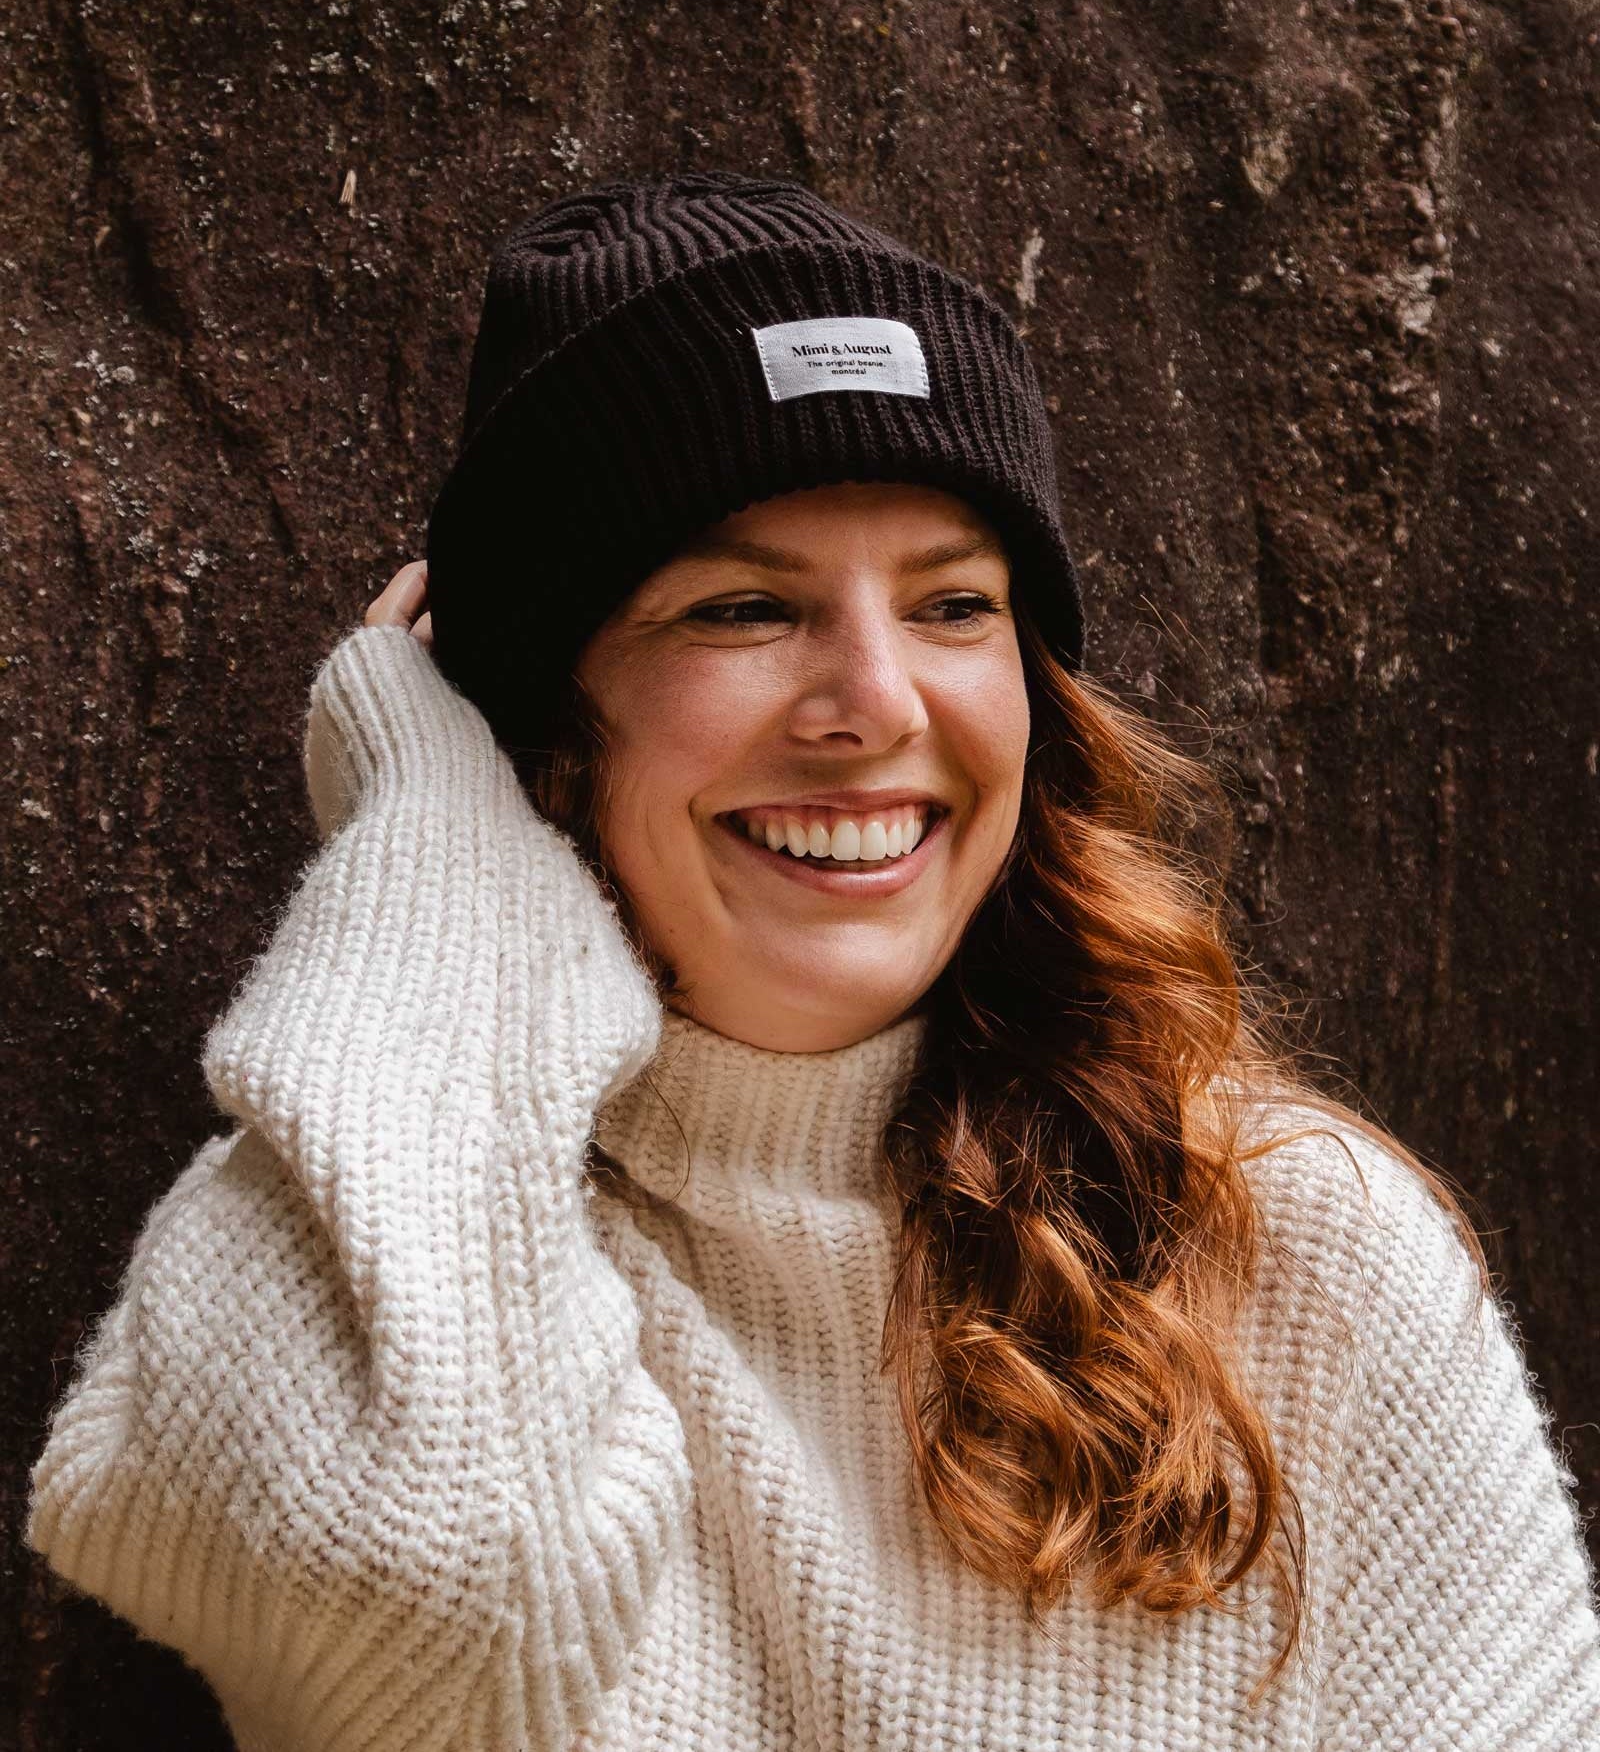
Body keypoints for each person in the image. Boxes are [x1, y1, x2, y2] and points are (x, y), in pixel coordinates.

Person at [25, 173, 1600, 1750]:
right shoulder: (373, 1231)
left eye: (954, 603)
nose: (879, 700)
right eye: (743, 605)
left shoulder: (1299, 1253)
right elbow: (424, 1598)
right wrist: (438, 822)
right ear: (543, 719)